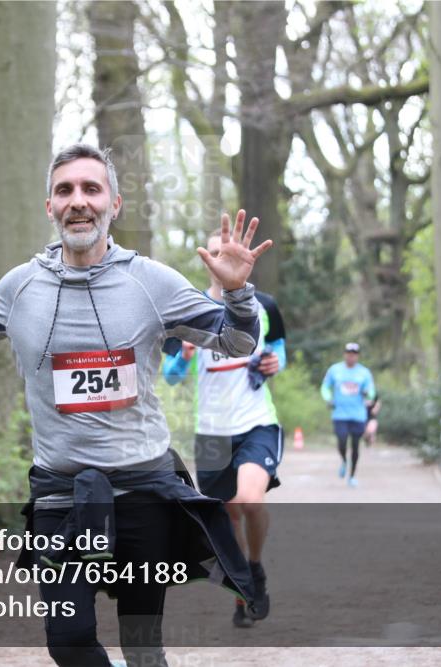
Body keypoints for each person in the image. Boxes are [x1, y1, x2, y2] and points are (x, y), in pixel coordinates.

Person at [0, 143, 272, 667]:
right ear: (50, 206)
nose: (78, 201)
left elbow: (237, 343)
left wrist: (238, 294)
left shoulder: (151, 282)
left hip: (142, 492)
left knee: (141, 647)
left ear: (115, 204)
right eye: (65, 190)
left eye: (92, 188)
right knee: (68, 641)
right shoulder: (21, 286)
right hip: (60, 495)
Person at [161, 230, 287, 629]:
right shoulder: (187, 311)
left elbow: (279, 351)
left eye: (228, 251)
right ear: (207, 260)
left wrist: (273, 365)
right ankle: (242, 584)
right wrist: (182, 356)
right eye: (214, 252)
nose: (222, 258)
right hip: (212, 431)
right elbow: (171, 376)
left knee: (250, 500)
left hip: (255, 421)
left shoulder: (263, 306)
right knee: (228, 513)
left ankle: (254, 570)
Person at [321, 342, 376, 488]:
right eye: (348, 353)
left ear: (357, 356)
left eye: (354, 354)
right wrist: (328, 399)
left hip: (358, 415)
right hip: (340, 414)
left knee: (356, 445)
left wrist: (367, 394)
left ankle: (351, 476)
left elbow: (372, 391)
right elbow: (325, 387)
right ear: (345, 354)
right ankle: (344, 461)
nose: (351, 356)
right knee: (342, 440)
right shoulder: (335, 370)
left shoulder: (364, 372)